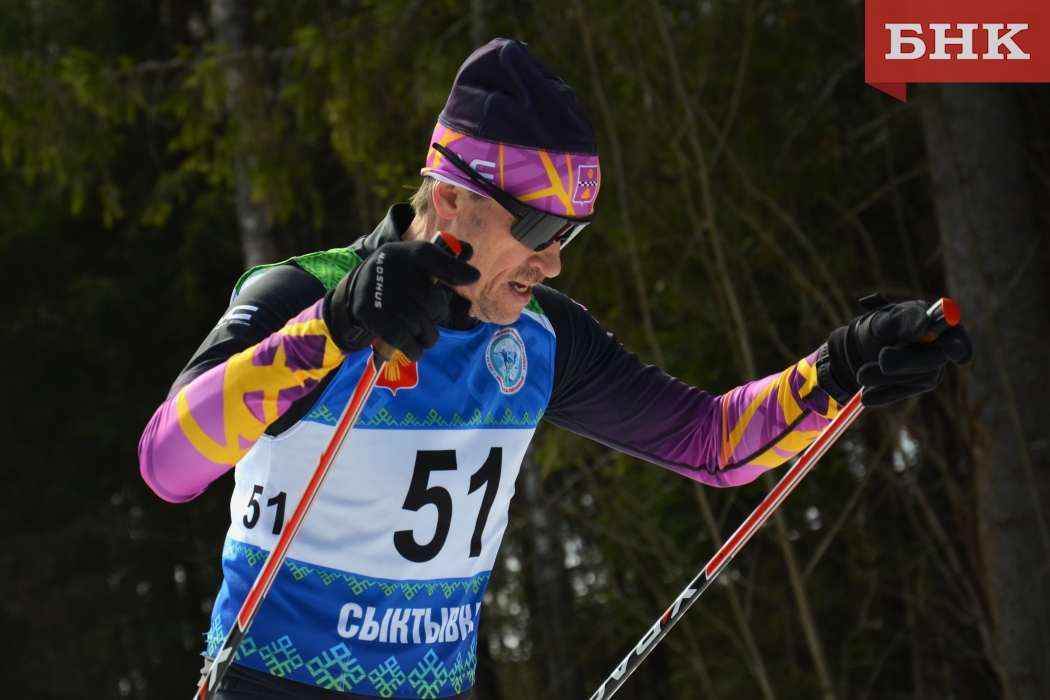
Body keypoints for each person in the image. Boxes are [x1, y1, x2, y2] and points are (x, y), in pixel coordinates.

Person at [138, 39, 972, 700]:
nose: (553, 261)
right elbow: (168, 465)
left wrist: (841, 367)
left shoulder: (540, 339)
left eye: (570, 234)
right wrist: (334, 328)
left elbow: (714, 444)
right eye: (539, 229)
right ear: (453, 198)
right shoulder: (305, 295)